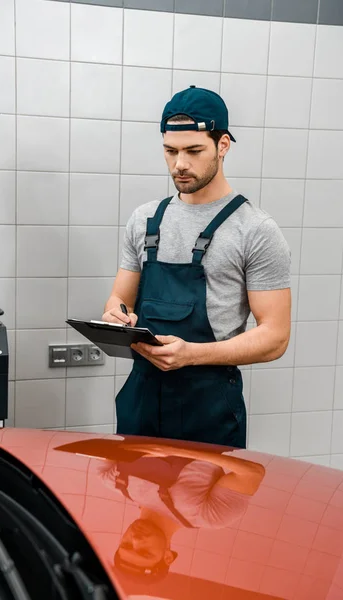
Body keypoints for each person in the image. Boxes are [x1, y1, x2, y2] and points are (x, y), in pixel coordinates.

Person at [102, 86, 291, 448]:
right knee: (136, 504)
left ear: (223, 146)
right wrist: (116, 317)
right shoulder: (144, 221)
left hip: (208, 407)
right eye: (170, 151)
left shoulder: (255, 230)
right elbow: (117, 300)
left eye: (193, 151)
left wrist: (192, 355)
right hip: (140, 399)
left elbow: (275, 337)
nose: (179, 164)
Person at [56, 436, 265, 582]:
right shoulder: (209, 516)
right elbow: (252, 473)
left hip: (152, 390)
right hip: (206, 405)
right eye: (145, 551)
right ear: (167, 557)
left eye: (126, 545)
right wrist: (177, 451)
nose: (136, 540)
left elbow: (108, 443)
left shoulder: (115, 482)